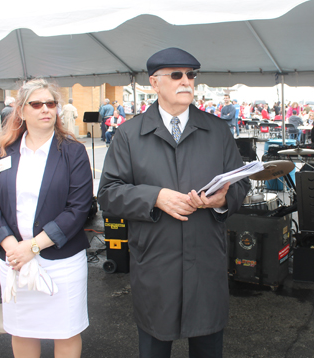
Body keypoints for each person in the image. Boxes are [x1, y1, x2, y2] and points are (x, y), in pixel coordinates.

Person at [98, 47, 249, 358]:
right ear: (154, 83)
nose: (186, 82)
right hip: (156, 263)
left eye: (191, 75)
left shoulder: (217, 130)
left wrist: (222, 200)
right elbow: (109, 194)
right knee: (154, 347)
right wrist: (156, 197)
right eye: (177, 75)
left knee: (208, 347)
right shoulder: (129, 134)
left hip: (205, 262)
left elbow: (241, 184)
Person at [0, 78, 93, 358]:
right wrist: (12, 248)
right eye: (37, 104)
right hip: (15, 261)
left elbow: (77, 209)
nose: (45, 109)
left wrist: (32, 247)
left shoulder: (73, 152)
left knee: (65, 332)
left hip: (61, 261)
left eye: (51, 103)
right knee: (22, 331)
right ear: (21, 110)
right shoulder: (4, 152)